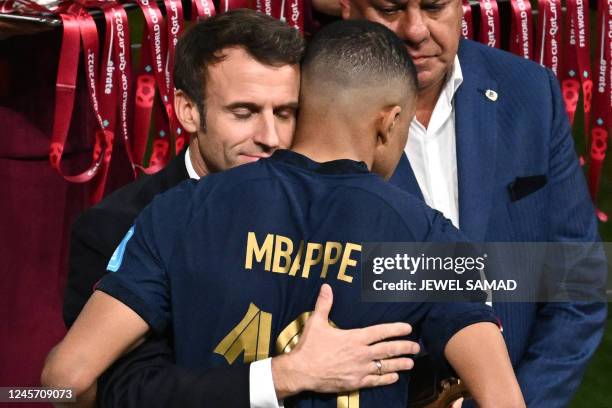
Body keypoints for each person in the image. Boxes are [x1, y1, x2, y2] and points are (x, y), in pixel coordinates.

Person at [43, 19, 525, 407]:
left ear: (308, 106)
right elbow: (503, 398)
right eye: (244, 112)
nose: (269, 137)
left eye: (284, 113)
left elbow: (63, 380)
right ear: (390, 120)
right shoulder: (431, 240)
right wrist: (281, 377)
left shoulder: (175, 214)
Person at [336, 0, 607, 406]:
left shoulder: (532, 92)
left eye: (433, 7)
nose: (415, 29)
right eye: (390, 9)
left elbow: (579, 282)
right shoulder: (310, 109)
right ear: (347, 8)